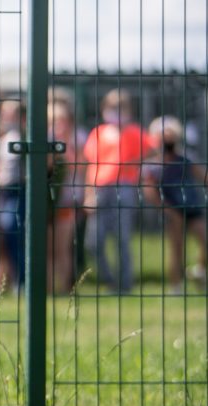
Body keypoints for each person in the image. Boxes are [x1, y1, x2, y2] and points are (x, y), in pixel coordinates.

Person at [83, 88, 152, 293]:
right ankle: (109, 279)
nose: (117, 111)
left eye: (121, 107)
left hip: (125, 187)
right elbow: (91, 164)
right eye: (112, 107)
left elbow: (153, 152)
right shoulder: (98, 133)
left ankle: (124, 285)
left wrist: (132, 164)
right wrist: (88, 194)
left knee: (122, 239)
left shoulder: (135, 132)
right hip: (100, 188)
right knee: (93, 242)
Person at [142, 115, 208, 293]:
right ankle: (176, 285)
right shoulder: (152, 165)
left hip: (192, 206)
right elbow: (149, 190)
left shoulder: (186, 158)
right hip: (171, 209)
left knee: (204, 238)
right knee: (177, 247)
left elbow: (202, 176)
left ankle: (199, 270)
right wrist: (167, 209)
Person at [47, 96, 86, 293]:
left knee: (63, 247)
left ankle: (65, 289)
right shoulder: (46, 139)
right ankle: (48, 288)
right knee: (48, 248)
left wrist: (63, 149)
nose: (58, 125)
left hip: (68, 200)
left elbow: (79, 166)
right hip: (47, 201)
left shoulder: (77, 138)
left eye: (61, 120)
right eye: (53, 121)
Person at [0, 99, 26, 288]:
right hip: (4, 193)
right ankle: (14, 280)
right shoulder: (3, 139)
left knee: (16, 232)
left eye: (11, 113)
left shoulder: (24, 137)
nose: (6, 117)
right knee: (8, 235)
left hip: (19, 191)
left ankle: (22, 281)